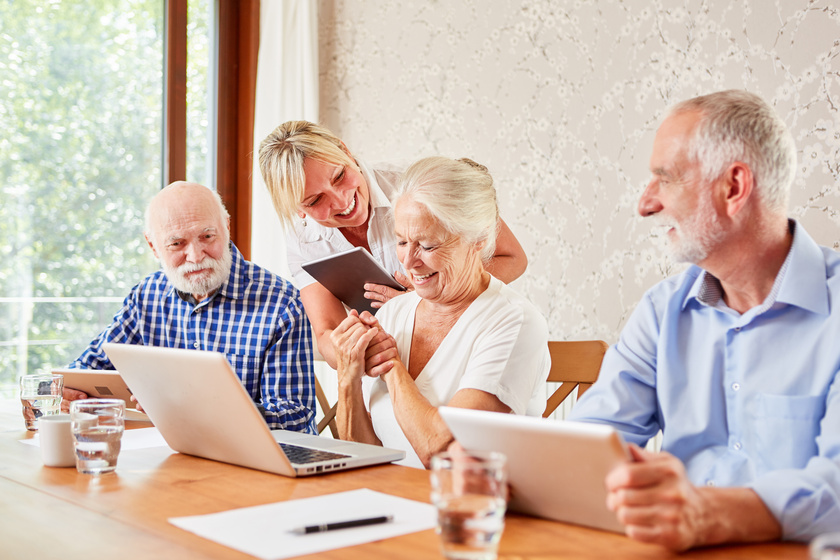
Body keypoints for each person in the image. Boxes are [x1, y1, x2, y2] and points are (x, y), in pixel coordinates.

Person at [568, 90, 840, 550]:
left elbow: (835, 485)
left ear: (733, 187)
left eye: (665, 179)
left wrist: (707, 514)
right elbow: (590, 446)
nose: (645, 204)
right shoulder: (661, 310)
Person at [330, 156, 550, 469]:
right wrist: (347, 373)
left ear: (480, 240)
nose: (407, 261)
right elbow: (363, 458)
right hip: (395, 504)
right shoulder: (392, 313)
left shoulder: (514, 322)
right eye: (401, 241)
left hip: (478, 509)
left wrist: (392, 367)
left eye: (428, 246)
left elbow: (447, 455)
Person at [258, 121, 529, 368]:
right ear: (298, 210)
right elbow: (327, 333)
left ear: (346, 151)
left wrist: (427, 302)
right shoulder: (303, 239)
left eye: (339, 176)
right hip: (391, 368)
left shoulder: (412, 187)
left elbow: (512, 258)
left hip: (467, 346)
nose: (341, 202)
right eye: (315, 200)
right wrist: (351, 349)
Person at [68, 181, 317, 433]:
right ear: (153, 246)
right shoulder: (146, 296)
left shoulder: (282, 303)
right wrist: (68, 393)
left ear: (226, 227)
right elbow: (87, 369)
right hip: (175, 453)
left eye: (207, 237)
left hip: (261, 460)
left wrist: (196, 410)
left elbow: (294, 416)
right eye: (177, 244)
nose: (196, 256)